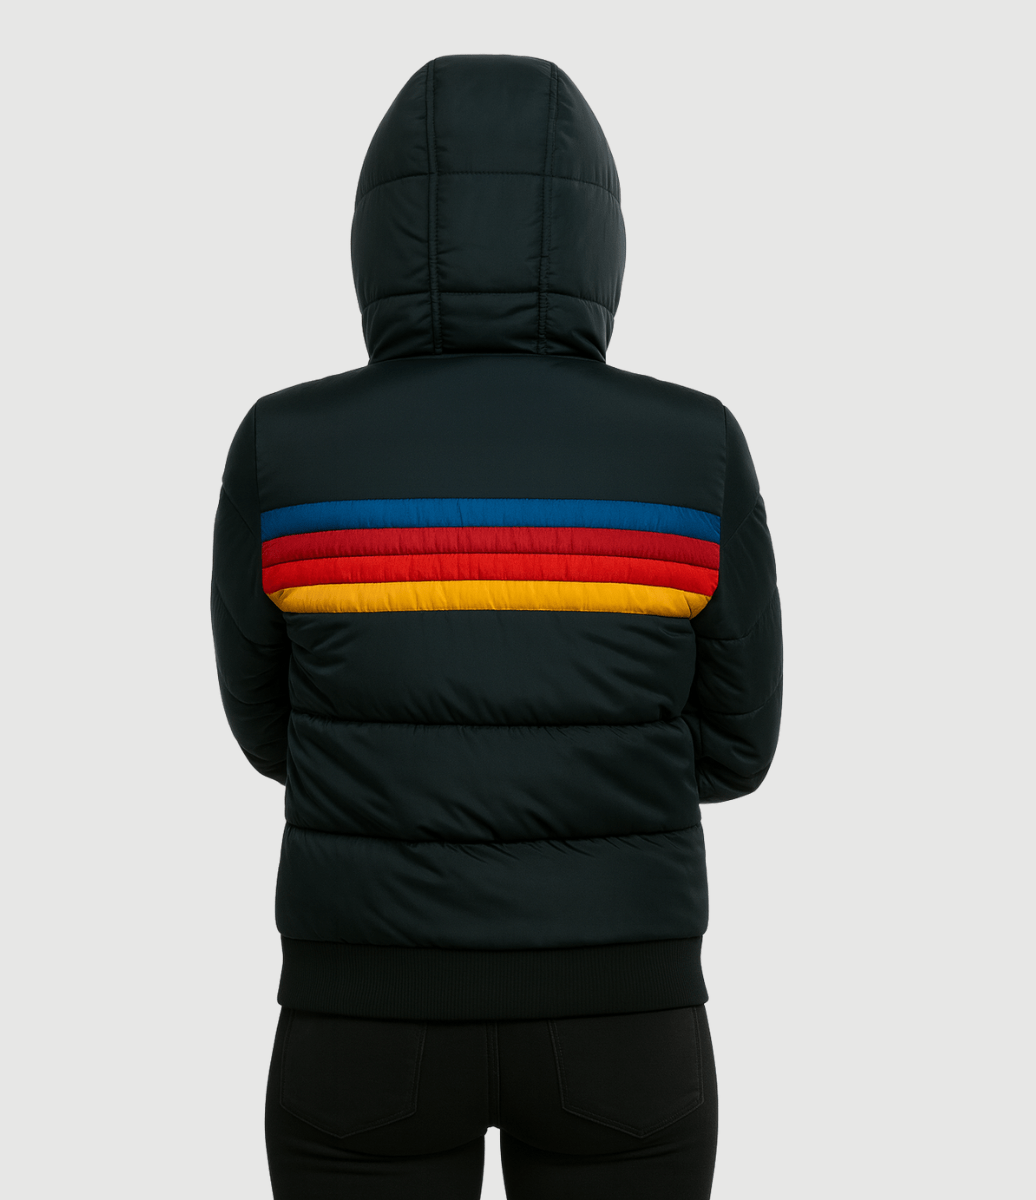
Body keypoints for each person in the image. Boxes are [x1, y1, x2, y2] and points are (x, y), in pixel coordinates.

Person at [211, 53, 782, 1200]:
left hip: (362, 1012)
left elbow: (274, 733)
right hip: (621, 1015)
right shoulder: (691, 448)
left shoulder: (285, 447)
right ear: (595, 237)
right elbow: (737, 748)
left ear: (380, 234)